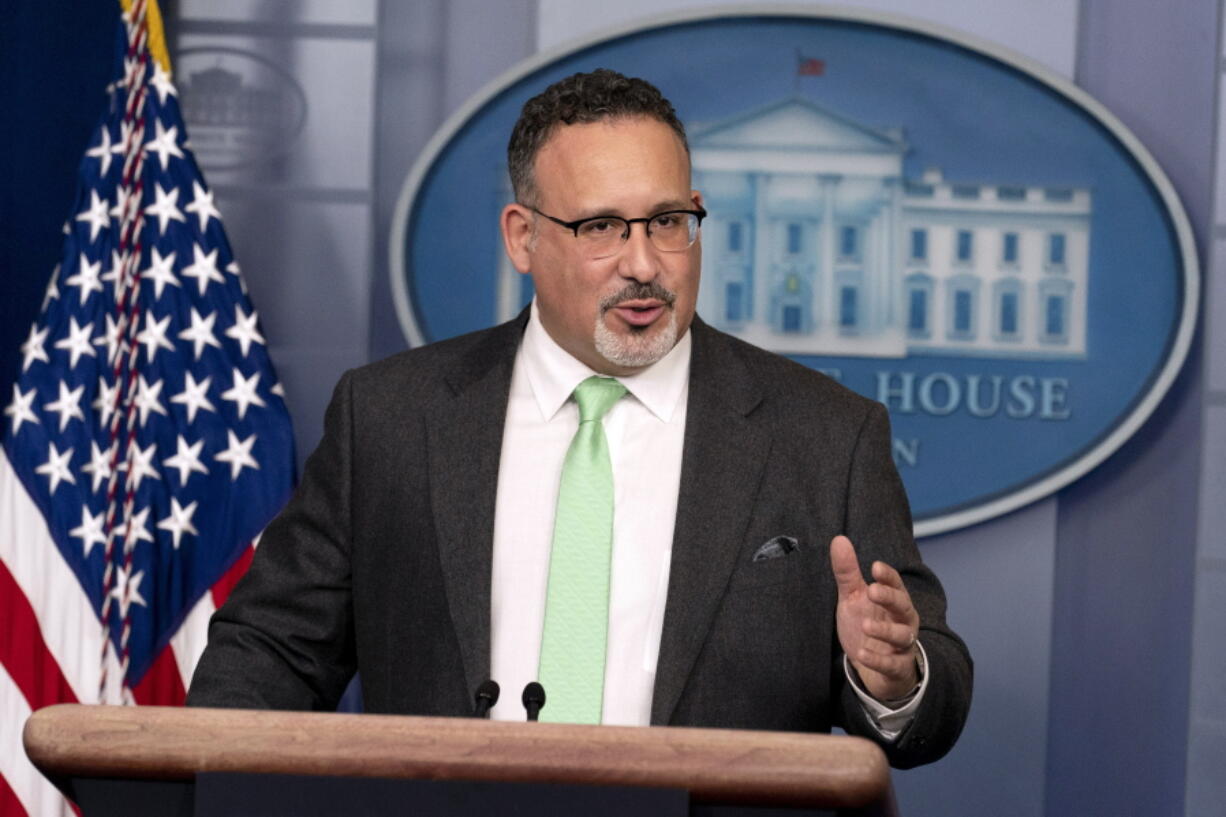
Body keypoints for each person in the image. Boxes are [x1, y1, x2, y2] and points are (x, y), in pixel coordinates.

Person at [187, 69, 971, 769]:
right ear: (522, 238)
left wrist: (892, 676)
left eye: (669, 221)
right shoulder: (391, 417)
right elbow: (269, 651)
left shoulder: (825, 435)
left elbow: (929, 694)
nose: (643, 262)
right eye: (601, 227)